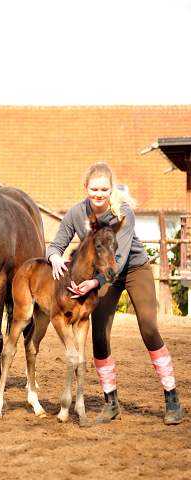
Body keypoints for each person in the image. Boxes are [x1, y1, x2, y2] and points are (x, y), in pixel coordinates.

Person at [47, 162, 183, 425]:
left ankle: (172, 398)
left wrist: (93, 284)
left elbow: (118, 261)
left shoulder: (123, 213)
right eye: (94, 189)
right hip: (101, 276)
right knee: (98, 332)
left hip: (132, 269)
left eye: (104, 189)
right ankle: (111, 402)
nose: (99, 194)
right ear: (85, 187)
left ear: (111, 189)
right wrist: (53, 257)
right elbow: (56, 244)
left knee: (148, 326)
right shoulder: (76, 213)